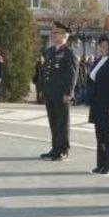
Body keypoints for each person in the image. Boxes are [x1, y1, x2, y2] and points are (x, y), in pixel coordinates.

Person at [39, 22, 79, 161]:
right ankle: (55, 148)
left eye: (56, 33)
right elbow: (45, 72)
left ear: (64, 36)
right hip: (50, 92)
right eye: (53, 32)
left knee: (62, 122)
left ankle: (63, 149)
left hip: (62, 94)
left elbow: (72, 75)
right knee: (53, 121)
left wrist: (68, 93)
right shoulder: (50, 51)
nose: (53, 35)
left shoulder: (69, 53)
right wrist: (42, 89)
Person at [87, 36, 109, 176]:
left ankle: (108, 166)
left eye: (105, 46)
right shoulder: (98, 61)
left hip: (108, 105)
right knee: (100, 136)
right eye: (101, 46)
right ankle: (100, 164)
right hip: (97, 104)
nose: (102, 48)